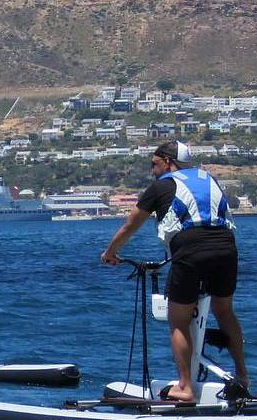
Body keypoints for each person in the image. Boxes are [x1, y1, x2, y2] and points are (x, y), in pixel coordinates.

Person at [101, 140, 248, 402]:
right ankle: (243, 378)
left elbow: (130, 225)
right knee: (224, 311)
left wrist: (110, 253)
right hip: (226, 246)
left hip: (191, 250)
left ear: (169, 162)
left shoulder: (163, 185)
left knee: (178, 319)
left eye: (155, 164)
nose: (153, 171)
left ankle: (186, 387)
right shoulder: (208, 178)